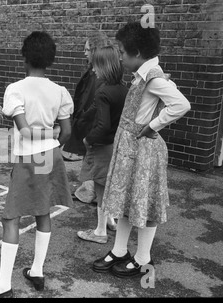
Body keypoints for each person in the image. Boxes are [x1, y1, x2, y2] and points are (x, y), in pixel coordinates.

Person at [0, 31, 74, 298]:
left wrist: (44, 137)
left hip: (30, 157)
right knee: (43, 212)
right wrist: (52, 140)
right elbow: (66, 132)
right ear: (50, 60)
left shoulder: (16, 89)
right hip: (50, 155)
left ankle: (4, 285)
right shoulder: (60, 91)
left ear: (24, 57)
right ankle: (37, 272)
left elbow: (26, 131)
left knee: (11, 218)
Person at [93, 22, 191, 278]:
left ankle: (142, 258)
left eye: (122, 52)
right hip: (129, 148)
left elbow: (181, 105)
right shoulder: (143, 75)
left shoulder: (153, 78)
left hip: (144, 151)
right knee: (126, 201)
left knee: (145, 203)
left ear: (136, 52)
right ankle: (119, 250)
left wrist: (152, 126)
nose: (120, 57)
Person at [76, 45, 128, 244]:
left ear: (105, 67)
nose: (93, 69)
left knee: (100, 187)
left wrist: (88, 139)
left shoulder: (103, 91)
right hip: (116, 144)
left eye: (96, 66)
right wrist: (82, 117)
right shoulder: (123, 89)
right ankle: (110, 221)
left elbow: (103, 125)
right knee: (108, 185)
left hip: (103, 145)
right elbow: (96, 109)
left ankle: (99, 232)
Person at [62, 31, 113, 204]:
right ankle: (87, 191)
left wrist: (82, 119)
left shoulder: (99, 75)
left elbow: (92, 101)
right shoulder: (95, 71)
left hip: (94, 123)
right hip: (88, 121)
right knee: (89, 159)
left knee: (94, 160)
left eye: (87, 49)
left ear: (95, 50)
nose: (84, 53)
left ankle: (92, 194)